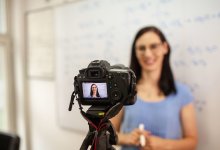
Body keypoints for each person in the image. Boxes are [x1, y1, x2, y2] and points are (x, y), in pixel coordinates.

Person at [110, 26, 198, 150]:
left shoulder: (182, 93)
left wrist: (164, 145)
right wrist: (127, 138)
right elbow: (107, 134)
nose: (147, 53)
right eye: (141, 48)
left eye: (153, 46)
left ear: (165, 48)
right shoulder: (124, 91)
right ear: (135, 52)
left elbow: (192, 141)